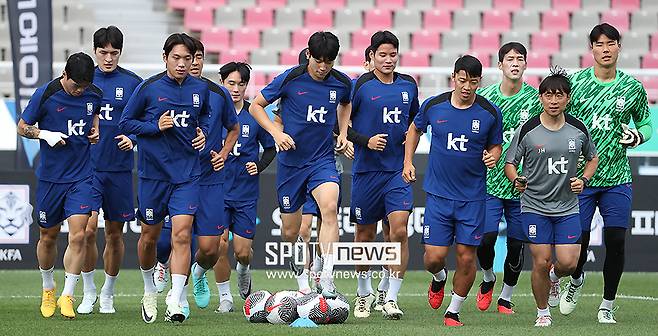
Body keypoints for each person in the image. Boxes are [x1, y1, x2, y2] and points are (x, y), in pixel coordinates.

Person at [560, 23, 654, 324]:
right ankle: (575, 280)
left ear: (619, 47)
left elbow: (646, 124)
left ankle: (607, 304)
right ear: (591, 49)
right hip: (581, 180)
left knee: (616, 240)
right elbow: (557, 118)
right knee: (578, 244)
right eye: (599, 44)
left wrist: (639, 137)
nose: (605, 49)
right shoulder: (576, 85)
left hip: (617, 178)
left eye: (611, 43)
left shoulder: (632, 87)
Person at [249, 31, 352, 297]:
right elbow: (256, 106)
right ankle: (302, 282)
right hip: (291, 165)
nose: (323, 67)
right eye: (318, 60)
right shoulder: (290, 78)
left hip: (322, 160)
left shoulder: (341, 83)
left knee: (330, 208)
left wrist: (342, 132)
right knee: (292, 231)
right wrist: (276, 133)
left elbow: (345, 104)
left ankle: (327, 277)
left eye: (329, 61)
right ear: (309, 55)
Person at [403, 55, 503, 327]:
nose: (467, 86)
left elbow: (496, 145)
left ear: (479, 82)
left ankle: (453, 311)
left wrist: (494, 156)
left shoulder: (490, 112)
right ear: (453, 78)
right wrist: (408, 161)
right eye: (462, 80)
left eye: (473, 81)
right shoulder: (434, 106)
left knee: (466, 257)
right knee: (433, 259)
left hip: (472, 198)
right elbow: (414, 130)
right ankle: (438, 279)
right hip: (438, 195)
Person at [119, 33, 209, 324]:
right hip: (153, 175)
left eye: (188, 58)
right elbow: (126, 123)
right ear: (165, 57)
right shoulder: (149, 88)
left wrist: (203, 133)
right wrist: (154, 126)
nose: (182, 64)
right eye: (176, 58)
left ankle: (176, 299)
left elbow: (207, 117)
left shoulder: (201, 89)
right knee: (149, 238)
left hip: (187, 174)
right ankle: (149, 290)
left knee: (182, 234)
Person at [505, 67, 599, 327]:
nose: (554, 101)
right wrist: (516, 180)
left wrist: (584, 179)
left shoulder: (578, 129)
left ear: (567, 98)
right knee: (541, 260)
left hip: (567, 206)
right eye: (548, 96)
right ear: (541, 98)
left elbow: (593, 159)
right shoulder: (528, 129)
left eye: (559, 96)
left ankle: (555, 277)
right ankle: (542, 312)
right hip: (534, 206)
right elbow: (510, 162)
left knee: (568, 263)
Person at [17, 52, 101, 319]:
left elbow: (95, 113)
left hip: (81, 177)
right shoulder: (47, 93)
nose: (79, 92)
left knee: (79, 234)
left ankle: (67, 294)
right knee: (47, 236)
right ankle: (48, 289)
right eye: (76, 85)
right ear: (64, 75)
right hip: (51, 178)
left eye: (84, 87)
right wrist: (45, 134)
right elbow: (22, 127)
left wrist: (95, 127)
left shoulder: (93, 94)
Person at [351, 31, 419, 320]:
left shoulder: (408, 86)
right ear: (371, 57)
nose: (388, 59)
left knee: (399, 230)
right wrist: (365, 141)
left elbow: (416, 123)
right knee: (365, 234)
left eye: (393, 54)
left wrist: (409, 150)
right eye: (382, 55)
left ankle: (391, 297)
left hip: (396, 170)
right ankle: (364, 294)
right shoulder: (360, 86)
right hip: (367, 171)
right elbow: (339, 125)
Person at [76, 25, 142, 315]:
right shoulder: (81, 81)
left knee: (115, 234)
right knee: (88, 230)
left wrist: (134, 138)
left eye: (114, 52)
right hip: (87, 169)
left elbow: (148, 120)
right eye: (103, 52)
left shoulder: (133, 83)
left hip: (119, 170)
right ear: (95, 51)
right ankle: (88, 290)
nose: (108, 58)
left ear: (120, 53)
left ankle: (108, 292)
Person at [474, 42, 541, 314]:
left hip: (523, 187)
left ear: (525, 65)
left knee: (516, 244)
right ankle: (488, 276)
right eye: (510, 59)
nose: (515, 63)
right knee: (485, 239)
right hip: (490, 183)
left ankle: (506, 296)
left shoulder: (537, 100)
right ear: (500, 65)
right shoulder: (485, 99)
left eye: (520, 59)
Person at [213, 61, 276, 313]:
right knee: (219, 245)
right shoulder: (212, 114)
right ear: (222, 83)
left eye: (241, 84)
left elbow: (271, 148)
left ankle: (244, 270)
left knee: (242, 252)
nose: (236, 89)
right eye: (231, 83)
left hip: (245, 193)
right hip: (216, 190)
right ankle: (225, 297)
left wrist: (258, 166)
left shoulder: (254, 115)